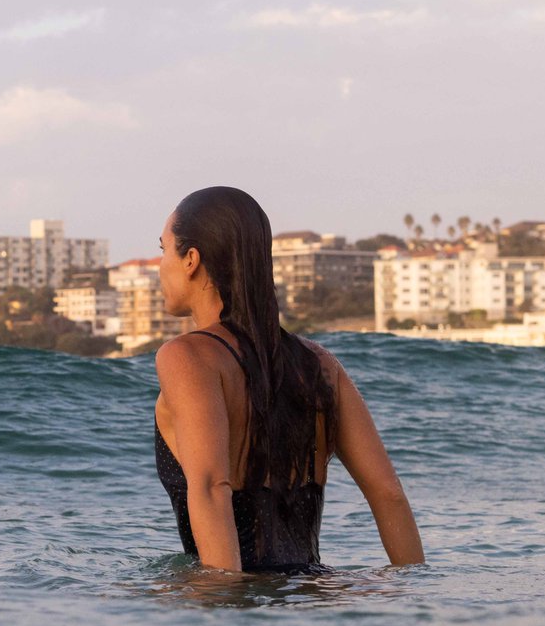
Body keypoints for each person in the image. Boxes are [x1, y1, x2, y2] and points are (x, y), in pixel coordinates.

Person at [154, 187, 425, 573]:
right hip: (314, 599)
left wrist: (221, 617)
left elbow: (213, 489)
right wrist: (417, 596)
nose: (159, 263)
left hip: (238, 606)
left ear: (191, 259)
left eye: (163, 248)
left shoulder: (186, 357)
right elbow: (388, 495)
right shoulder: (319, 364)